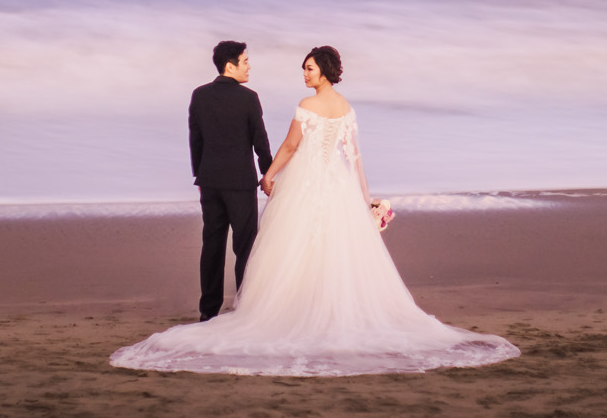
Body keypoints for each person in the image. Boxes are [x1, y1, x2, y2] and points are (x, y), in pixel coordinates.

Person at [111, 45, 518, 376]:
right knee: (319, 249)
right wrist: (364, 199)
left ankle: (224, 309)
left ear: (322, 70)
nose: (303, 74)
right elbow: (354, 158)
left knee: (257, 245)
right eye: (302, 69)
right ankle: (281, 308)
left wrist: (267, 176)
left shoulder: (296, 104)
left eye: (308, 68)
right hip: (335, 186)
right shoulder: (345, 107)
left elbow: (284, 148)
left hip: (275, 181)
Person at [188, 39, 275, 320]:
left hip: (210, 180)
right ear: (230, 66)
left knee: (212, 244)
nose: (249, 66)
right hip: (239, 182)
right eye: (245, 61)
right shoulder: (248, 98)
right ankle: (245, 307)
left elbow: (196, 139)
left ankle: (208, 311)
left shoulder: (199, 95)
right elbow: (260, 142)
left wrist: (199, 173)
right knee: (245, 246)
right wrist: (268, 174)